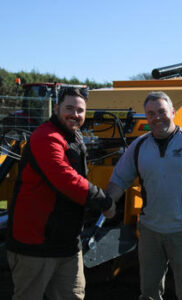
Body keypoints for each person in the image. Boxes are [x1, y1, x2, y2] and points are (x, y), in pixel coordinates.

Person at [106, 91, 182, 300]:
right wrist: (107, 203)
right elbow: (118, 181)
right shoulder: (138, 147)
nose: (157, 118)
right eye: (151, 113)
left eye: (162, 111)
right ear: (146, 117)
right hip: (150, 232)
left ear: (172, 112)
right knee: (149, 293)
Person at [6, 87, 116, 300]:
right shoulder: (46, 136)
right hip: (35, 245)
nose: (75, 114)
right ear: (56, 108)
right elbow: (66, 179)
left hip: (67, 244)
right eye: (69, 108)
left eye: (80, 110)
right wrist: (104, 202)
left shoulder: (73, 136)